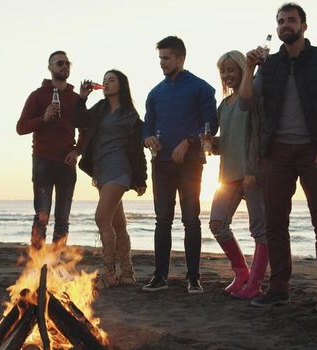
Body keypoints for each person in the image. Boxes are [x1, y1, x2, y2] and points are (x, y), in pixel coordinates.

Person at [239, 3, 317, 312]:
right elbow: (245, 102)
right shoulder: (268, 65)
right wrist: (249, 68)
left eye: (292, 20)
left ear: (303, 26)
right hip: (277, 152)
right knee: (275, 223)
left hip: (315, 149)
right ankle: (278, 289)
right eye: (281, 21)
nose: (286, 25)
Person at [141, 36, 218, 294]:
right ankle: (160, 277)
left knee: (190, 220)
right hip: (161, 164)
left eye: (166, 58)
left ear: (180, 58)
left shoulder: (201, 88)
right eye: (160, 58)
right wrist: (147, 138)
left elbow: (211, 124)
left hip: (191, 164)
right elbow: (147, 124)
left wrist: (188, 142)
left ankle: (193, 277)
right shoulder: (155, 93)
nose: (162, 63)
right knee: (162, 220)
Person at [74, 70, 148, 289]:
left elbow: (137, 149)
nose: (106, 83)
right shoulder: (100, 109)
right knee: (118, 224)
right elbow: (78, 120)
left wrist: (141, 178)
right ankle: (127, 273)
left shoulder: (130, 115)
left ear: (121, 85)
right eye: (104, 80)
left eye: (111, 79)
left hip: (120, 170)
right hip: (101, 170)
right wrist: (82, 98)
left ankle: (108, 272)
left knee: (101, 218)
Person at [209, 51, 268, 300]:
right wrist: (212, 144)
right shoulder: (223, 105)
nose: (227, 75)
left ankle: (255, 283)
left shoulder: (251, 97)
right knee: (217, 223)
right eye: (223, 71)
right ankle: (241, 272)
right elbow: (228, 140)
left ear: (243, 69)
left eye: (232, 69)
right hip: (228, 175)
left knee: (260, 230)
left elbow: (256, 135)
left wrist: (252, 170)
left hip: (251, 173)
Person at [17, 51, 85, 249]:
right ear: (50, 67)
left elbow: (85, 130)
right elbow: (21, 127)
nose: (64, 66)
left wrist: (77, 151)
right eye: (59, 63)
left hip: (67, 162)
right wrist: (43, 119)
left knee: (63, 220)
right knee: (41, 217)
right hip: (43, 162)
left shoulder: (74, 98)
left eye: (67, 63)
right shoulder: (37, 96)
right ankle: (37, 264)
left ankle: (57, 265)